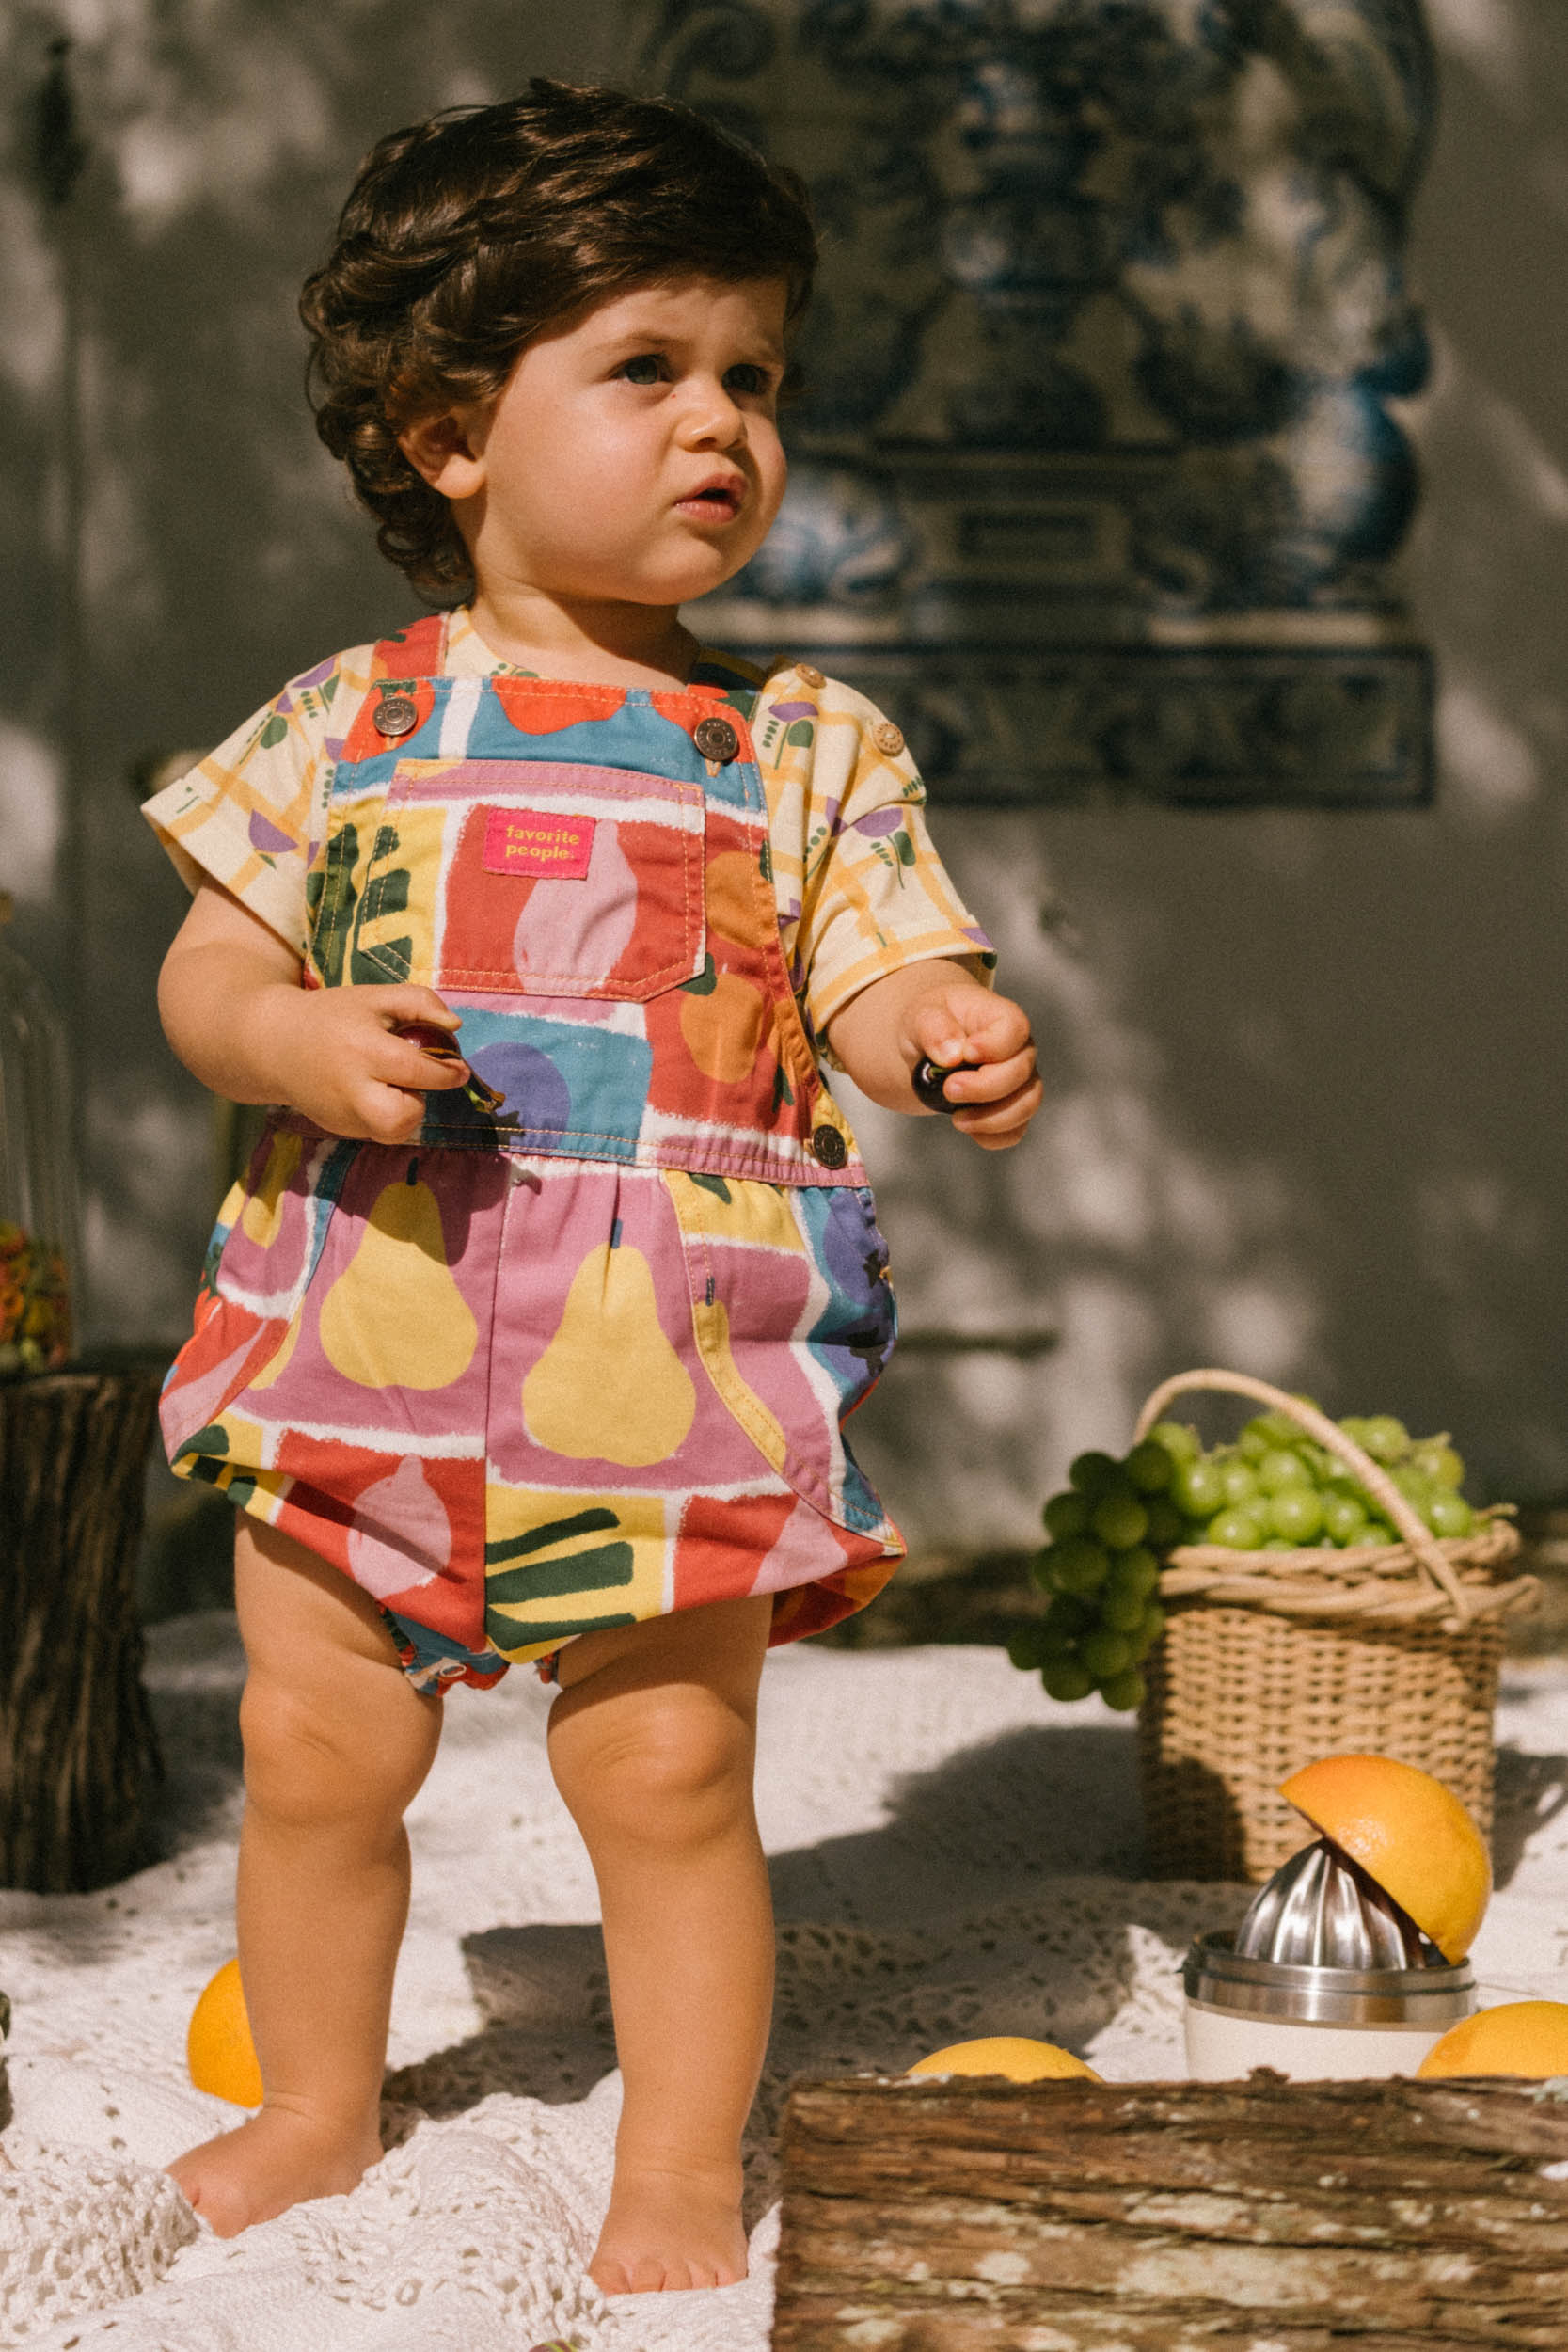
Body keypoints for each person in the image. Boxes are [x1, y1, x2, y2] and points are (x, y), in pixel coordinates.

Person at [145, 80, 1041, 2294]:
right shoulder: (345, 722)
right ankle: (317, 2102)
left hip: (663, 1370)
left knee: (664, 1775)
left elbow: (868, 969)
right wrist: (295, 1043)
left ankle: (673, 2161)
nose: (722, 420)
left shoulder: (801, 745)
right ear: (450, 434)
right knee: (310, 1743)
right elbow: (208, 972)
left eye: (756, 374)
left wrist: (934, 1026)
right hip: (365, 1331)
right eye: (648, 366)